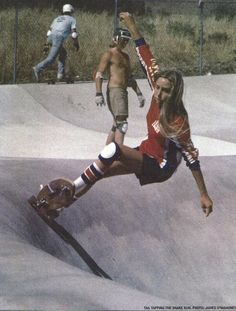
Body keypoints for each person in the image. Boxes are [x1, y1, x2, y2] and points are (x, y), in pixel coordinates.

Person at [39, 12, 213, 219]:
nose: (158, 94)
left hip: (160, 167)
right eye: (156, 88)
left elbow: (192, 159)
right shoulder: (156, 89)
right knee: (101, 170)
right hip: (146, 152)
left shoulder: (178, 122)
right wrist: (131, 25)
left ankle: (66, 191)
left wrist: (204, 194)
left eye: (165, 91)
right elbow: (146, 56)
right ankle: (56, 207)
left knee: (113, 149)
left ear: (174, 93)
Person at [95, 27, 145, 145]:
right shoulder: (109, 54)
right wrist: (98, 93)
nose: (125, 43)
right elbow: (99, 74)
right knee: (122, 123)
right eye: (123, 40)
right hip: (115, 90)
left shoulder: (125, 56)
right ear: (116, 38)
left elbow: (130, 78)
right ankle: (118, 153)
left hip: (123, 91)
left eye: (127, 41)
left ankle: (107, 153)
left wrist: (139, 93)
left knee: (116, 123)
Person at [32, 4, 79, 82]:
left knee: (63, 53)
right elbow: (74, 34)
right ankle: (37, 68)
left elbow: (49, 32)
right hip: (58, 38)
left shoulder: (56, 18)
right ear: (71, 11)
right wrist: (76, 44)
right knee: (51, 58)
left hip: (51, 37)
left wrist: (46, 44)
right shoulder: (71, 19)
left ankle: (60, 75)